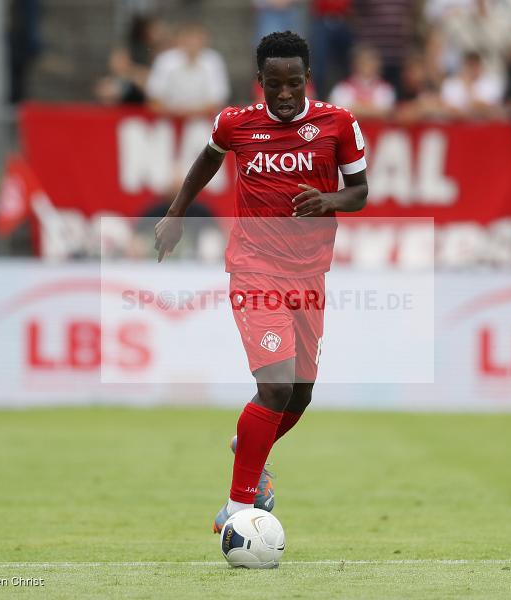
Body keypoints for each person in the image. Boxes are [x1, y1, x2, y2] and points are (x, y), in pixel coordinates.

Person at [153, 31, 369, 532]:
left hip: (311, 274)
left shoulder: (338, 123)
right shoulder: (236, 124)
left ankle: (249, 444)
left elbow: (358, 192)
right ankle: (238, 508)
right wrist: (176, 214)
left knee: (299, 395)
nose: (286, 94)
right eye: (275, 85)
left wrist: (328, 200)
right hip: (254, 268)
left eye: (294, 83)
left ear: (307, 79)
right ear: (260, 83)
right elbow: (208, 158)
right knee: (273, 386)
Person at [146, 22, 230, 118]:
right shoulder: (165, 60)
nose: (192, 43)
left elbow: (217, 102)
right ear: (179, 40)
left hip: (202, 120)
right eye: (188, 39)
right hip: (168, 118)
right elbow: (154, 100)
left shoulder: (213, 61)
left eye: (196, 39)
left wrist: (188, 112)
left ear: (205, 41)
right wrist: (177, 112)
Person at [328, 44, 397, 118]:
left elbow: (387, 111)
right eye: (363, 61)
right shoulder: (343, 87)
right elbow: (337, 111)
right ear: (354, 64)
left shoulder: (385, 88)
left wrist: (356, 108)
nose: (367, 65)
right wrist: (372, 109)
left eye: (371, 61)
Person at [440, 51, 506, 118]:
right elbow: (446, 109)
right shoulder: (451, 84)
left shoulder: (491, 84)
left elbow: (489, 110)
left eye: (476, 65)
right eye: (470, 65)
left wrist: (469, 88)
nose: (473, 69)